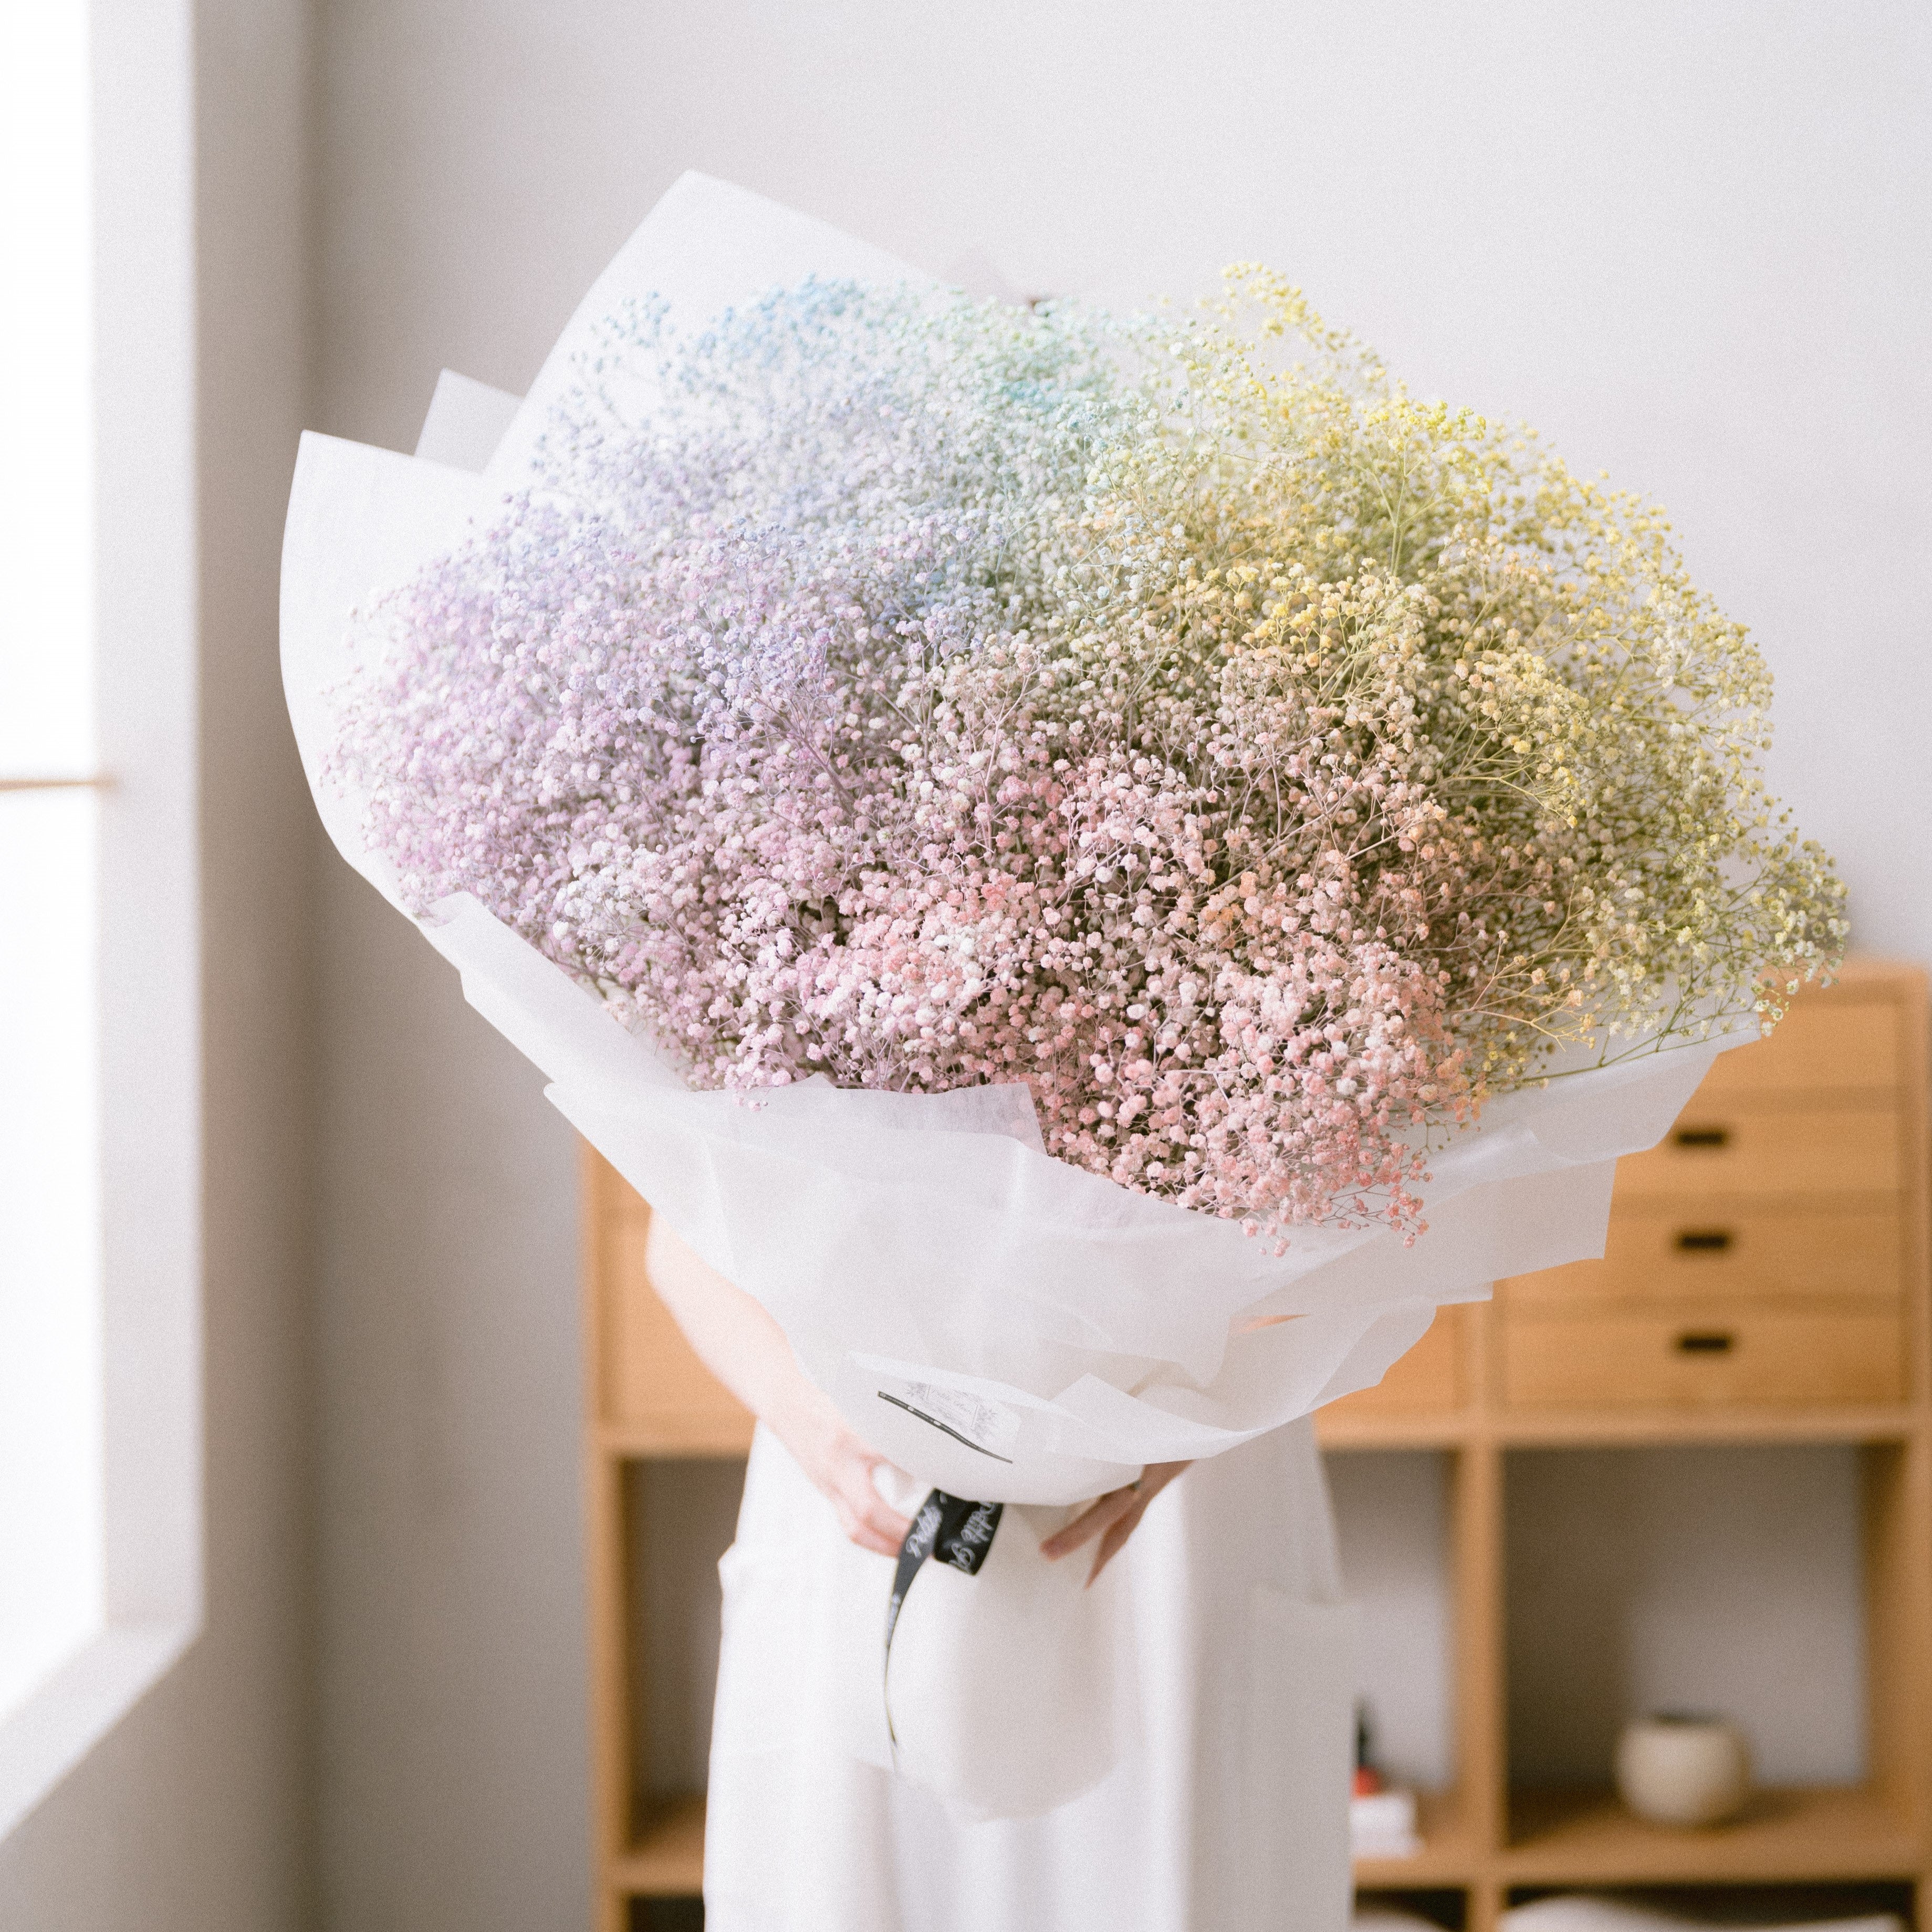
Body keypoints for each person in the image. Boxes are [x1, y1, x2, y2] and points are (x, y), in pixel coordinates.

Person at [648, 1215, 1356, 1932]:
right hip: (858, 1461)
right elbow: (678, 1227)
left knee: (1185, 1873)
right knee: (854, 1880)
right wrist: (812, 1419)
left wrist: (1186, 1423)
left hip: (1180, 1485)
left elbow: (1378, 1238)